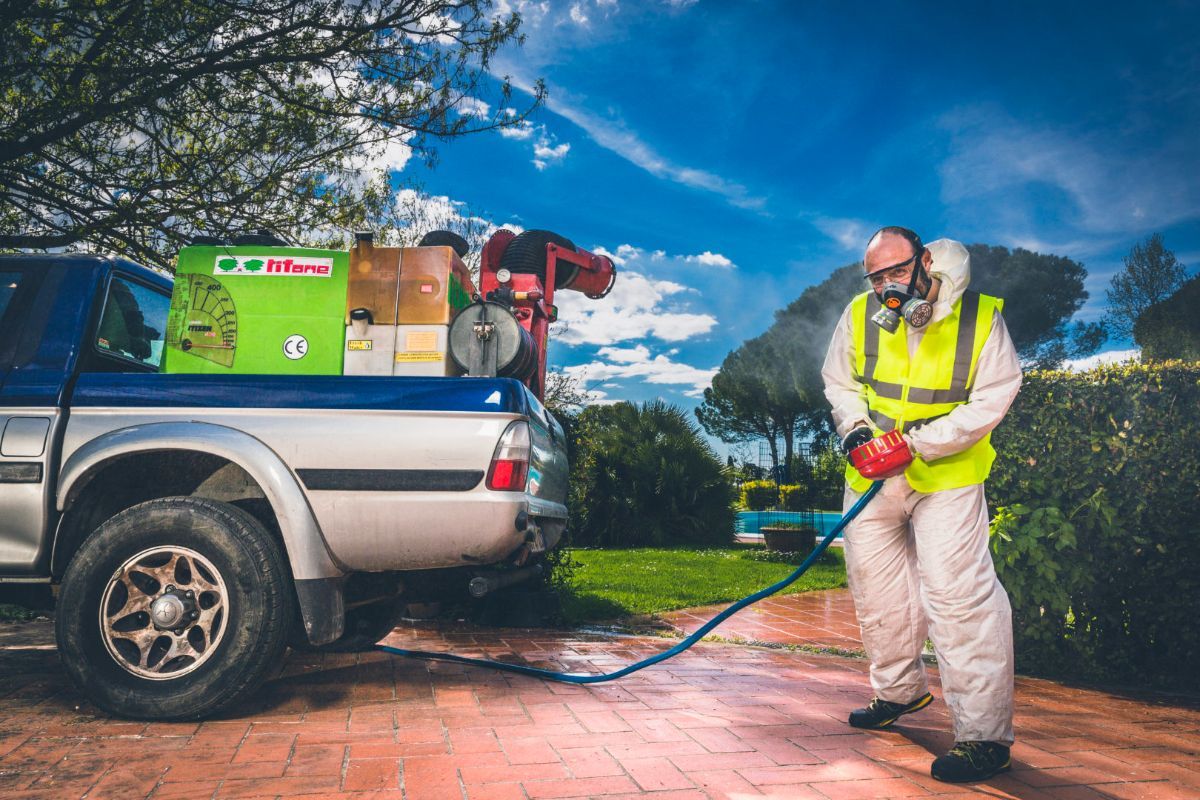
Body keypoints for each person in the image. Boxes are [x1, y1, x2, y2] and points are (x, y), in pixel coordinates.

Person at [820, 226, 1023, 783]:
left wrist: (917, 444)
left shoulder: (980, 316)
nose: (887, 286)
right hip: (872, 477)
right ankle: (900, 694)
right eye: (876, 276)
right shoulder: (860, 313)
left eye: (896, 272)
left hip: (947, 476)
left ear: (925, 262)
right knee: (877, 590)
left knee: (959, 598)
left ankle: (984, 738)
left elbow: (995, 394)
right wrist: (857, 430)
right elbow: (839, 382)